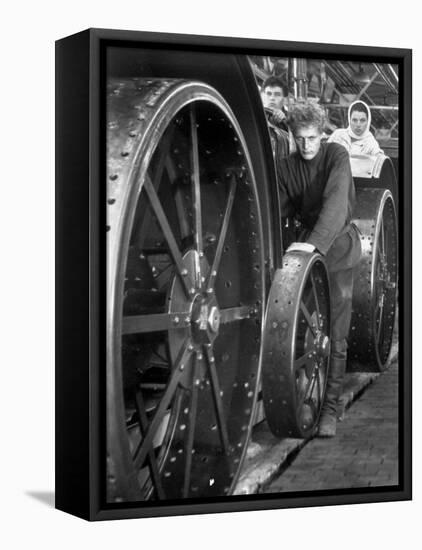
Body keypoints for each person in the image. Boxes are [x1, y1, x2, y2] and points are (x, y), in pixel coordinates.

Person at [277, 102, 361, 437]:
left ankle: (330, 409)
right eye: (300, 139)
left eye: (312, 138)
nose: (307, 145)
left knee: (336, 333)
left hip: (337, 247)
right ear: (293, 137)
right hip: (306, 250)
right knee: (303, 327)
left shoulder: (336, 155)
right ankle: (307, 396)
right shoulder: (285, 167)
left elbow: (336, 204)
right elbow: (277, 208)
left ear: (322, 134)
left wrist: (312, 245)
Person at [261, 76, 291, 159]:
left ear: (285, 100)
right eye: (268, 94)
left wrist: (286, 123)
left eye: (277, 95)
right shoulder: (254, 117)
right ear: (262, 96)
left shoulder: (291, 121)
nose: (272, 98)